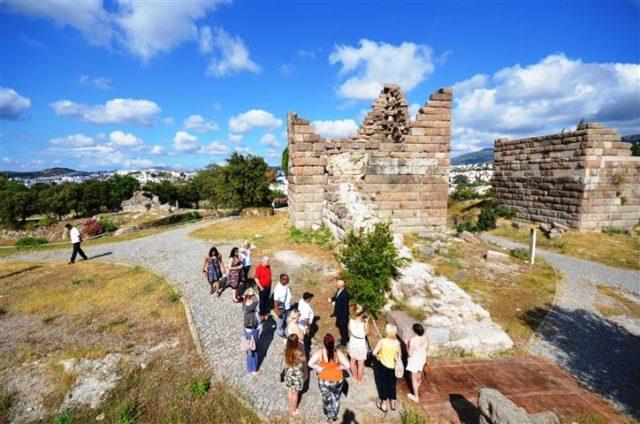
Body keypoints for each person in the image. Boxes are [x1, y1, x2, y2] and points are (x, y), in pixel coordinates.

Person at [308, 333, 351, 424]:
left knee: (326, 398)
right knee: (335, 398)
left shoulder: (319, 352)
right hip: (337, 379)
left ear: (324, 343)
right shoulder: (337, 352)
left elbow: (310, 363)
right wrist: (340, 367)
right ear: (333, 343)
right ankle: (334, 415)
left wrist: (318, 368)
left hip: (324, 379)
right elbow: (348, 365)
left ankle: (329, 418)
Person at [372, 324, 401, 412]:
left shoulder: (382, 341)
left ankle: (383, 404)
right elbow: (399, 355)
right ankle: (393, 403)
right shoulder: (397, 343)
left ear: (387, 332)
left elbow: (374, 352)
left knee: (383, 384)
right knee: (392, 384)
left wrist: (377, 356)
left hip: (383, 366)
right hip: (393, 367)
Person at [284, 333, 306, 417]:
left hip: (289, 373)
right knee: (295, 393)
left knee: (290, 391)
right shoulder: (298, 353)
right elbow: (304, 359)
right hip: (296, 376)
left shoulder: (286, 349)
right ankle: (294, 410)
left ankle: (291, 405)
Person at [406, 323, 429, 403]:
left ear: (414, 331)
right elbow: (427, 348)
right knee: (419, 371)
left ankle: (416, 397)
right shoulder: (425, 337)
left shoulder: (413, 340)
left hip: (414, 361)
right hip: (422, 358)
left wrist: (407, 344)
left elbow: (409, 354)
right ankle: (419, 382)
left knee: (413, 379)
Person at [348, 307, 369, 383]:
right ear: (362, 315)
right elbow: (368, 333)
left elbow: (350, 330)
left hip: (353, 341)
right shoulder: (364, 325)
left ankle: (354, 376)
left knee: (352, 360)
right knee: (360, 364)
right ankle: (359, 380)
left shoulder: (351, 321)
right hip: (360, 343)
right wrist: (367, 322)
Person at [242, 288, 261, 376]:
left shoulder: (245, 305)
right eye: (250, 299)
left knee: (251, 349)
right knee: (253, 349)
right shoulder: (248, 307)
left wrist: (249, 294)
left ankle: (251, 368)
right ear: (247, 299)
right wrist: (253, 293)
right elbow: (257, 300)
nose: (251, 301)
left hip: (251, 329)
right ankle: (252, 370)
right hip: (251, 331)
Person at [329, 280, 350, 347]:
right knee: (341, 326)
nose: (335, 285)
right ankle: (346, 339)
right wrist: (332, 299)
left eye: (337, 284)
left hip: (343, 316)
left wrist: (343, 319)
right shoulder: (339, 290)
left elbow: (345, 308)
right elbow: (337, 297)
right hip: (339, 314)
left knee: (342, 328)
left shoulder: (345, 295)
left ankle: (343, 343)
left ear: (341, 286)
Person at [273, 274, 292, 338]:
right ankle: (279, 331)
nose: (288, 281)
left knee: (284, 318)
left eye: (288, 279)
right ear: (282, 280)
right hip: (281, 307)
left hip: (287, 306)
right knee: (280, 320)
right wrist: (277, 311)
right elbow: (276, 301)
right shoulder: (278, 288)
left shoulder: (285, 285)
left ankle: (283, 327)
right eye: (287, 280)